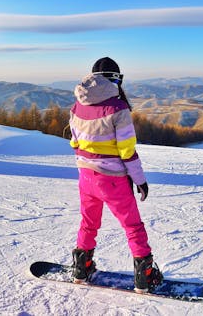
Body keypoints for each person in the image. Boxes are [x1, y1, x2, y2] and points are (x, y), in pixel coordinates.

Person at [68, 57, 163, 292]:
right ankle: (145, 276)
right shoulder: (118, 109)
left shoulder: (77, 105)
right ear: (116, 79)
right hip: (112, 179)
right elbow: (127, 151)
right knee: (132, 226)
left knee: (88, 223)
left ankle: (82, 268)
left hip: (86, 176)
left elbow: (74, 142)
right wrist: (140, 181)